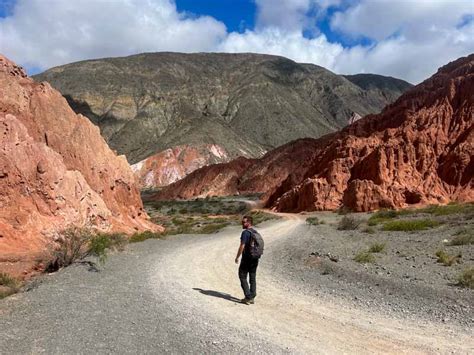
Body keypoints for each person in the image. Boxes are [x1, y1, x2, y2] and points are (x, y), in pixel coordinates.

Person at [235, 215, 259, 305]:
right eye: (242, 222)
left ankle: (248, 297)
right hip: (255, 258)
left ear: (249, 223)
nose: (242, 223)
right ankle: (252, 296)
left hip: (247, 259)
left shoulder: (245, 233)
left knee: (242, 276)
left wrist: (237, 257)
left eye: (244, 222)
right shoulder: (255, 232)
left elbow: (242, 245)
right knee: (252, 277)